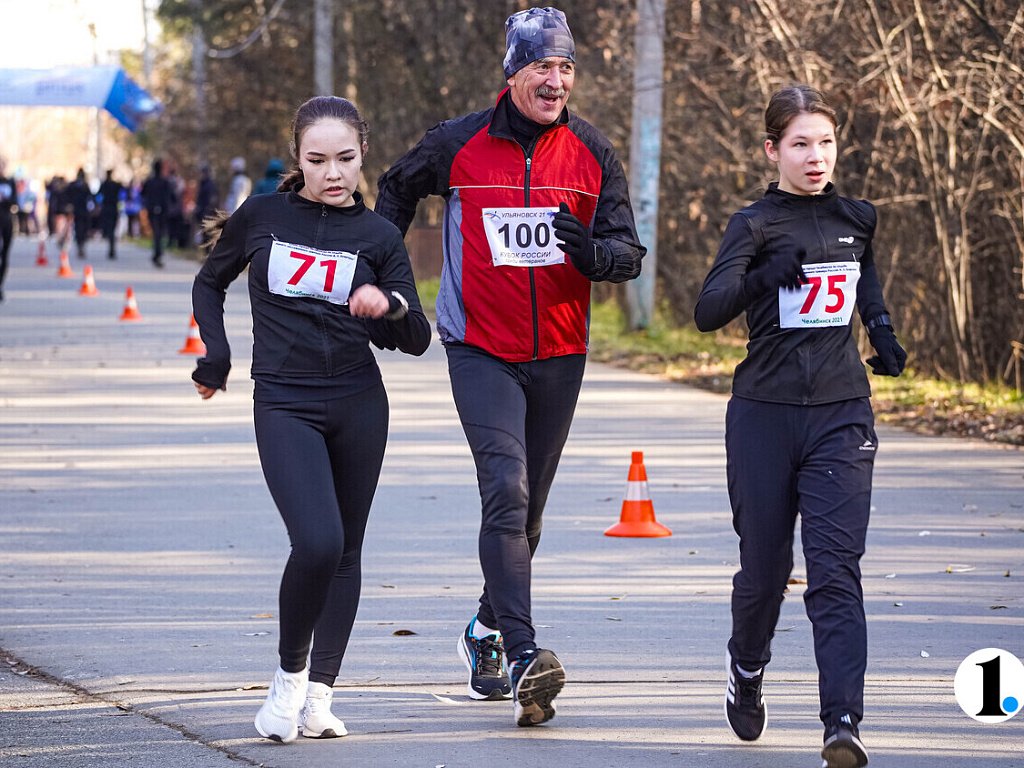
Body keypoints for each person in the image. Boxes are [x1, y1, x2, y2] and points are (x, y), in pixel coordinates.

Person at [375, 6, 644, 727]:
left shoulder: (593, 152)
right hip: (480, 347)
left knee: (529, 514)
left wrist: (594, 255)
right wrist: (388, 276)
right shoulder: (457, 143)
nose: (556, 81)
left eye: (566, 67)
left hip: (560, 351)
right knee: (506, 489)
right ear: (513, 73)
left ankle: (484, 629)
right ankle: (525, 655)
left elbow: (627, 252)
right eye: (542, 67)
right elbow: (395, 189)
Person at [190, 95, 431, 744]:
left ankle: (320, 696)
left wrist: (387, 307)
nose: (333, 173)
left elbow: (416, 337)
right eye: (318, 159)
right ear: (297, 156)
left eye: (345, 159)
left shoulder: (378, 236)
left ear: (363, 155)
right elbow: (210, 282)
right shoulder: (263, 215)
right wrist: (217, 354)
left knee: (347, 551)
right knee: (318, 542)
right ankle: (288, 680)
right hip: (284, 402)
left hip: (358, 403)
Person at [694, 84, 907, 768]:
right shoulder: (753, 225)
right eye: (800, 144)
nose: (816, 157)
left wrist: (881, 329)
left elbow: (864, 279)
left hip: (842, 414)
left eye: (826, 143)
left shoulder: (858, 217)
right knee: (765, 571)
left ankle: (842, 722)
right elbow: (707, 310)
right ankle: (747, 665)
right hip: (763, 415)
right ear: (772, 150)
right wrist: (763, 279)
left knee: (835, 570)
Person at [142, 159, 172, 268]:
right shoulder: (165, 182)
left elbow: (143, 193)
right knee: (159, 232)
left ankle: (157, 252)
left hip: (154, 210)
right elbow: (170, 195)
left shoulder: (150, 181)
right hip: (162, 210)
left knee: (157, 232)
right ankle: (158, 252)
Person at [66, 168, 92, 259]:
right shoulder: (81, 185)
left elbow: (90, 197)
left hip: (80, 210)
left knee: (80, 229)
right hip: (80, 210)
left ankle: (80, 245)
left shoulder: (79, 185)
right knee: (80, 229)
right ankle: (80, 245)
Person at [97, 170, 123, 259]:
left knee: (109, 229)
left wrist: (98, 205)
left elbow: (98, 196)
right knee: (112, 229)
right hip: (113, 208)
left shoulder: (104, 185)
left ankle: (111, 247)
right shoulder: (115, 185)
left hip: (106, 208)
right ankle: (112, 248)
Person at [193, 165, 219, 245]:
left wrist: (206, 211)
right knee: (204, 234)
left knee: (208, 235)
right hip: (203, 213)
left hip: (207, 213)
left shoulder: (209, 185)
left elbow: (212, 201)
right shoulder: (203, 184)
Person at [0, 157, 14, 302]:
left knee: (5, 255)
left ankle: (0, 285)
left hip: (6, 220)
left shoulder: (10, 182)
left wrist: (5, 199)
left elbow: (15, 200)